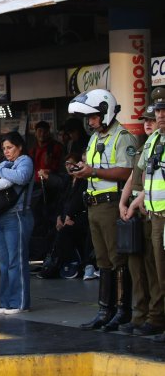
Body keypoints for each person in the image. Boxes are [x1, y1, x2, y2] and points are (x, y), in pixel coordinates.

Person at [68, 89, 138, 331]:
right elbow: (90, 166)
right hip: (94, 204)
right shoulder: (94, 138)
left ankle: (121, 311)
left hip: (111, 204)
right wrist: (79, 167)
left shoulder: (123, 137)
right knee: (102, 260)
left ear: (106, 113)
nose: (90, 121)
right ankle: (103, 310)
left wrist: (93, 172)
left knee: (117, 258)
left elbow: (127, 171)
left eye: (94, 116)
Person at [0, 131, 34, 314]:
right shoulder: (5, 164)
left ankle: (19, 303)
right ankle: (6, 302)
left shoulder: (25, 161)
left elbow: (21, 177)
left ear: (19, 147)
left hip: (18, 215)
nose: (7, 151)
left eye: (10, 147)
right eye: (4, 148)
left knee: (16, 260)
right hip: (3, 216)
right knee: (4, 262)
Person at [124, 100, 165, 339]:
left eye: (162, 111)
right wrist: (132, 202)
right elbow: (143, 177)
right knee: (159, 273)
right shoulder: (152, 141)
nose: (159, 116)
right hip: (153, 214)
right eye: (157, 111)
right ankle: (153, 318)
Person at [36, 152, 88, 279]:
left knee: (65, 232)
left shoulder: (84, 180)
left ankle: (57, 265)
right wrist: (59, 218)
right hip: (65, 217)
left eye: (72, 163)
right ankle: (48, 262)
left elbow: (79, 202)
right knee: (51, 233)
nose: (70, 167)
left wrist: (70, 217)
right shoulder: (68, 181)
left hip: (79, 218)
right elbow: (61, 202)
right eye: (67, 164)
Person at [29, 121, 65, 242]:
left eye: (45, 131)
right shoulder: (32, 149)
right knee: (37, 218)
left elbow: (62, 168)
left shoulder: (56, 147)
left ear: (49, 132)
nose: (42, 134)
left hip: (52, 187)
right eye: (39, 131)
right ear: (35, 133)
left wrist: (49, 172)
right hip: (36, 187)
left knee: (51, 217)